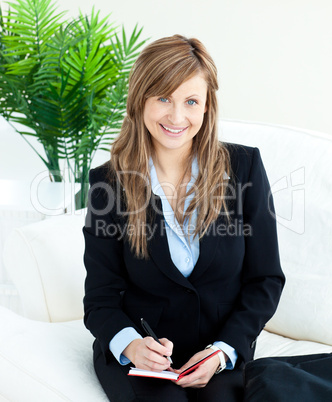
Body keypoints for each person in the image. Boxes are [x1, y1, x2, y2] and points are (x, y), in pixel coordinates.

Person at [82, 34, 285, 402]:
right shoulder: (107, 184)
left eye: (191, 101)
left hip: (217, 354)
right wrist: (131, 346)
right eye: (163, 98)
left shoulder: (245, 168)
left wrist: (224, 350)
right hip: (143, 359)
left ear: (206, 108)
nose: (177, 117)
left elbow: (266, 279)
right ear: (139, 100)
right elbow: (100, 298)